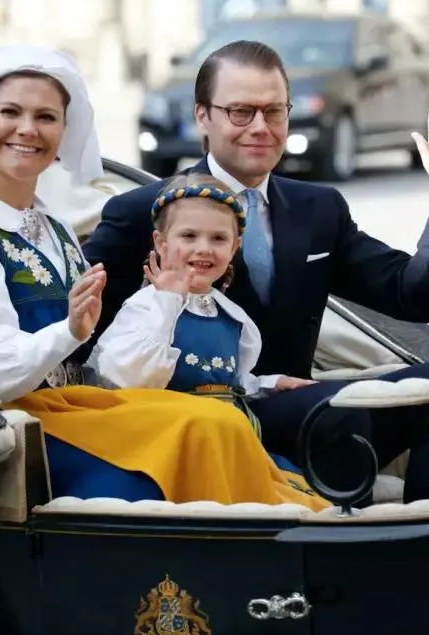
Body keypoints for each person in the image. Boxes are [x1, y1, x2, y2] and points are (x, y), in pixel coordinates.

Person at [0, 44, 326, 509]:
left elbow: (98, 365)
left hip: (71, 407)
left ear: (63, 131)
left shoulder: (52, 226)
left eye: (46, 117)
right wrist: (67, 332)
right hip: (6, 426)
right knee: (206, 429)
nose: (27, 129)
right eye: (11, 112)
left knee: (219, 420)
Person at [84, 40, 429, 503]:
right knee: (337, 413)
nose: (260, 128)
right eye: (240, 112)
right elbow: (88, 341)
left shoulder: (317, 208)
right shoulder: (141, 212)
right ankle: (338, 542)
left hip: (306, 409)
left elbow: (415, 297)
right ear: (202, 117)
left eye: (274, 112)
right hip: (202, 428)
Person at [89, 173, 319, 479]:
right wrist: (168, 301)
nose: (204, 249)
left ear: (236, 245)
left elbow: (227, 380)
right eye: (189, 236)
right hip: (172, 444)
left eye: (218, 239)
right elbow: (126, 377)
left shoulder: (230, 314)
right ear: (161, 242)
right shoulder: (146, 306)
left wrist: (267, 384)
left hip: (229, 443)